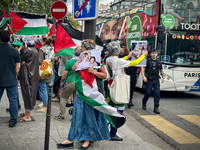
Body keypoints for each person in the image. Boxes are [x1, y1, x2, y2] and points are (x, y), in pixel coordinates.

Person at [57, 39, 110, 150]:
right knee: (77, 115)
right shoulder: (80, 59)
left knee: (89, 116)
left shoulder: (98, 59)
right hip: (81, 91)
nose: (80, 48)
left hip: (91, 93)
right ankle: (71, 139)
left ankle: (87, 140)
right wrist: (75, 69)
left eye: (82, 46)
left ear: (87, 48)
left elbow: (105, 75)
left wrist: (94, 72)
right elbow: (78, 74)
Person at [106, 41, 148, 141]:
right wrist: (143, 55)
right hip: (118, 87)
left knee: (109, 109)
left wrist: (128, 56)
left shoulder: (108, 58)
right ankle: (112, 133)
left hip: (109, 86)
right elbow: (135, 62)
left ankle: (102, 130)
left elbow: (118, 61)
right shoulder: (119, 61)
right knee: (118, 111)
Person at [54, 46, 81, 121]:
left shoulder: (70, 62)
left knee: (63, 98)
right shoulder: (82, 61)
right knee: (76, 100)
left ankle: (61, 115)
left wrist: (61, 80)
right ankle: (74, 117)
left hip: (70, 81)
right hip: (78, 81)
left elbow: (64, 74)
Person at [0, 30, 21, 127]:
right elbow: (18, 68)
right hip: (11, 79)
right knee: (13, 100)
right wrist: (13, 74)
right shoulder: (15, 51)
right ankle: (13, 120)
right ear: (9, 39)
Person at [17, 36, 39, 122]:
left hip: (26, 74)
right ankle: (27, 112)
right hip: (33, 75)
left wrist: (19, 50)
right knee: (30, 92)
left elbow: (17, 59)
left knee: (27, 93)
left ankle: (27, 115)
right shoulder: (35, 50)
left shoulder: (25, 51)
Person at [141, 49, 165, 114]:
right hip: (149, 79)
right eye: (153, 53)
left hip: (156, 79)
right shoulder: (147, 61)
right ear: (151, 54)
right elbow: (143, 68)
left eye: (155, 53)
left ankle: (156, 107)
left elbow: (161, 70)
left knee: (157, 93)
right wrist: (143, 76)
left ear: (157, 54)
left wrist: (163, 77)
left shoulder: (159, 62)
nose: (154, 54)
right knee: (148, 93)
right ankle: (144, 101)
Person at [37, 37, 54, 113]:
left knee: (42, 88)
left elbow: (40, 61)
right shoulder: (52, 49)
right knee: (47, 88)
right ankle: (48, 105)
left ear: (44, 41)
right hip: (50, 71)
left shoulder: (42, 50)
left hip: (43, 72)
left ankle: (45, 106)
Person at [6, 41, 22, 112]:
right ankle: (13, 119)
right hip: (12, 76)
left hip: (10, 75)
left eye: (15, 46)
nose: (13, 47)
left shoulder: (17, 52)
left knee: (13, 97)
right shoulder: (15, 52)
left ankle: (17, 105)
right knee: (13, 97)